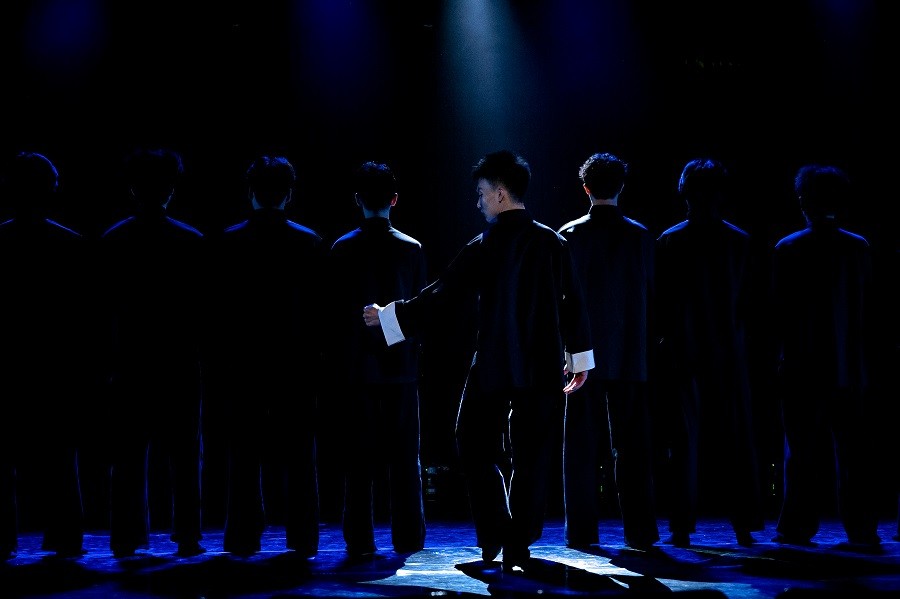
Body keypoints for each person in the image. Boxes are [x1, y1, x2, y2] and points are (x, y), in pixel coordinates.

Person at [363, 150, 594, 571]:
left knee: (472, 443)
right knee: (533, 457)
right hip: (543, 368)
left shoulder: (485, 244)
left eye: (482, 193)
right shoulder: (552, 242)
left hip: (493, 363)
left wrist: (389, 317)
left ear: (501, 193)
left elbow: (441, 295)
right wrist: (579, 361)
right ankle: (516, 541)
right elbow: (575, 304)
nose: (479, 202)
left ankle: (496, 532)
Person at [213, 154, 324, 558]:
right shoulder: (309, 242)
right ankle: (303, 538)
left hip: (244, 366)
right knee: (300, 457)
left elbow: (218, 313)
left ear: (251, 193)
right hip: (295, 366)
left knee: (244, 456)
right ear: (289, 194)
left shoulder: (229, 242)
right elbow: (319, 313)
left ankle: (243, 536)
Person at [100, 147, 206, 557]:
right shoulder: (191, 241)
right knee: (185, 456)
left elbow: (102, 309)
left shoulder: (114, 240)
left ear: (133, 189)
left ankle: (127, 536)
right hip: (179, 362)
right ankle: (188, 534)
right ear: (171, 190)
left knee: (127, 457)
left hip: (130, 362)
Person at [654, 157, 764, 547]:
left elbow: (659, 305)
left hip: (682, 352)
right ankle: (743, 523)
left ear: (685, 192)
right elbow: (750, 303)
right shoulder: (740, 242)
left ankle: (681, 525)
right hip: (728, 351)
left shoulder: (669, 241)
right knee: (736, 438)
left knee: (683, 441)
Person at [770, 164, 881, 549]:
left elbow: (779, 313)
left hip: (802, 366)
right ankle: (862, 529)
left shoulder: (788, 248)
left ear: (803, 200)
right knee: (854, 453)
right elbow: (869, 311)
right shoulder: (859, 247)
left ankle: (796, 526)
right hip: (849, 367)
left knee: (802, 452)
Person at [557, 152, 659, 551]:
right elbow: (652, 298)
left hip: (582, 356)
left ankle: (581, 532)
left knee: (580, 447)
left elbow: (561, 301)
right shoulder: (641, 236)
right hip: (631, 355)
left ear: (586, 189)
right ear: (621, 187)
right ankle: (640, 532)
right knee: (634, 448)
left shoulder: (569, 235)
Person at [326, 161, 427, 556]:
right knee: (404, 461)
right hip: (400, 371)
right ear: (394, 200)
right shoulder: (412, 249)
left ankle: (359, 539)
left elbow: (335, 318)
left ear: (357, 200)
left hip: (356, 373)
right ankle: (409, 537)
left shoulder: (341, 249)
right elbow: (419, 315)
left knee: (358, 463)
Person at [0, 151, 89, 559]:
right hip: (56, 368)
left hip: (9, 365)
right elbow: (82, 315)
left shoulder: (0, 241)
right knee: (60, 459)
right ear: (51, 189)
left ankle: (2, 538)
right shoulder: (69, 244)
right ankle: (65, 536)